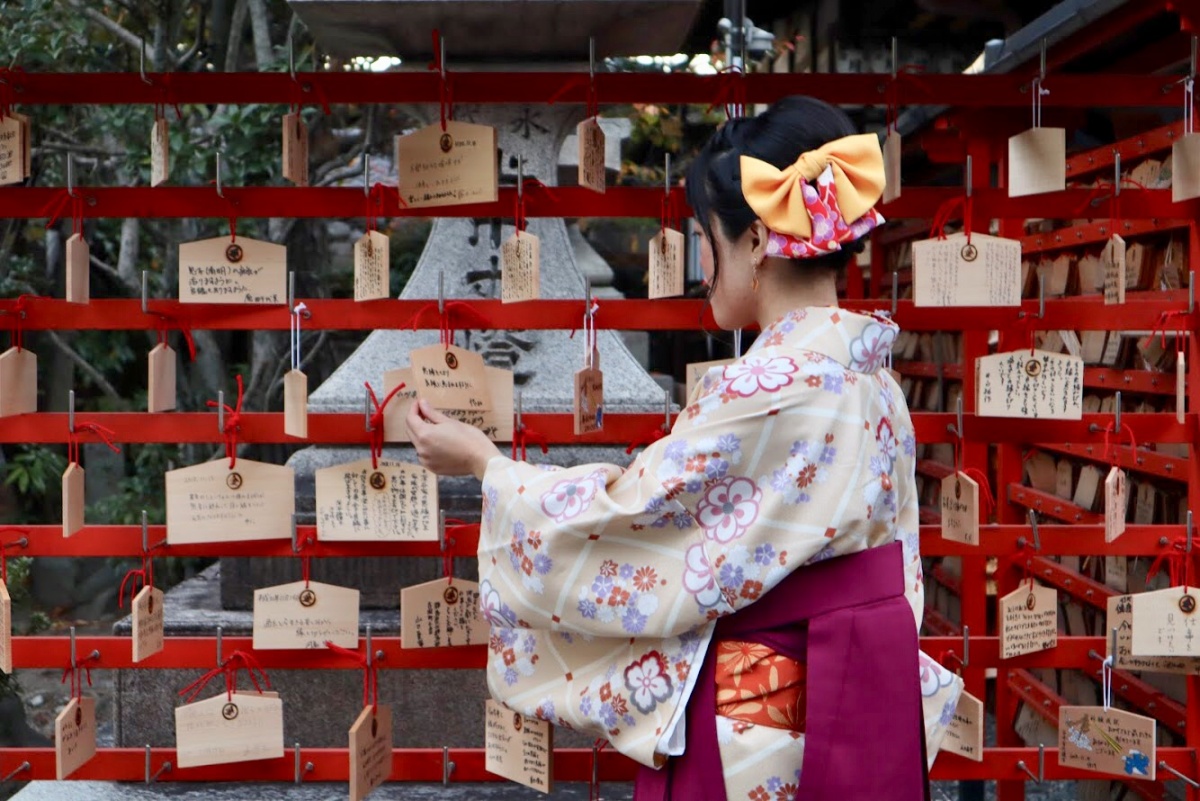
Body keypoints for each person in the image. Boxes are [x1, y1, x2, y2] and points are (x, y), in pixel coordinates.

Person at [408, 96, 963, 801]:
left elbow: (635, 516)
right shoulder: (874, 380)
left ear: (758, 240)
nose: (703, 263)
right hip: (861, 698)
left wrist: (488, 466)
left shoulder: (770, 384)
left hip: (765, 735)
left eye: (707, 236)